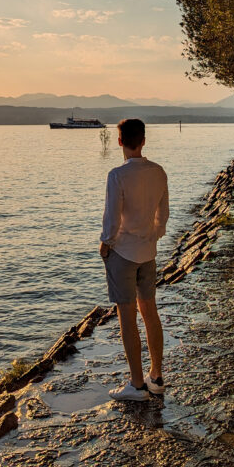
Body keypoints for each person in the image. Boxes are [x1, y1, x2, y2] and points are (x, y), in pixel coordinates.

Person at [100, 118, 169, 401]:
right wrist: (154, 236)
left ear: (120, 142)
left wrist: (107, 244)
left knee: (127, 318)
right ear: (143, 140)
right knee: (150, 311)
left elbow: (112, 219)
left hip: (124, 253)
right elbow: (162, 214)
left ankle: (137, 385)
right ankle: (156, 376)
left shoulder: (117, 175)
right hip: (148, 252)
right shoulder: (159, 172)